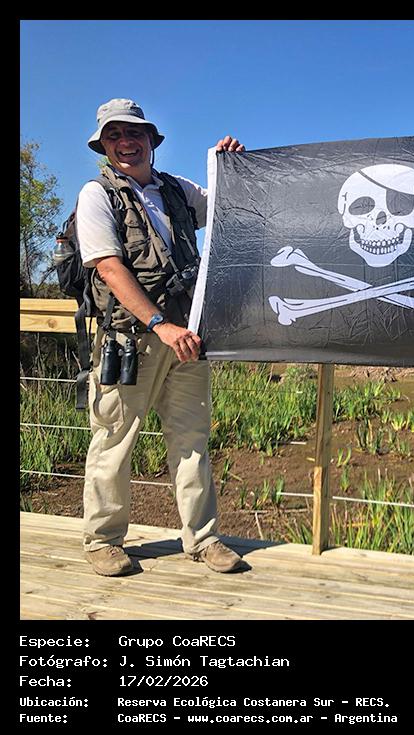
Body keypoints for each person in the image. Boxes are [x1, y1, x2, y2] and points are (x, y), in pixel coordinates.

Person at [78, 98, 246, 576]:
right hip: (130, 340)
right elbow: (109, 268)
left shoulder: (178, 190)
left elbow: (230, 207)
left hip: (188, 336)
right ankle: (103, 541)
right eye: (114, 136)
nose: (125, 143)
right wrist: (160, 325)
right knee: (114, 440)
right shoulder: (97, 195)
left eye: (134, 133)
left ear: (151, 140)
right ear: (104, 146)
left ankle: (203, 539)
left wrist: (232, 167)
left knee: (192, 440)